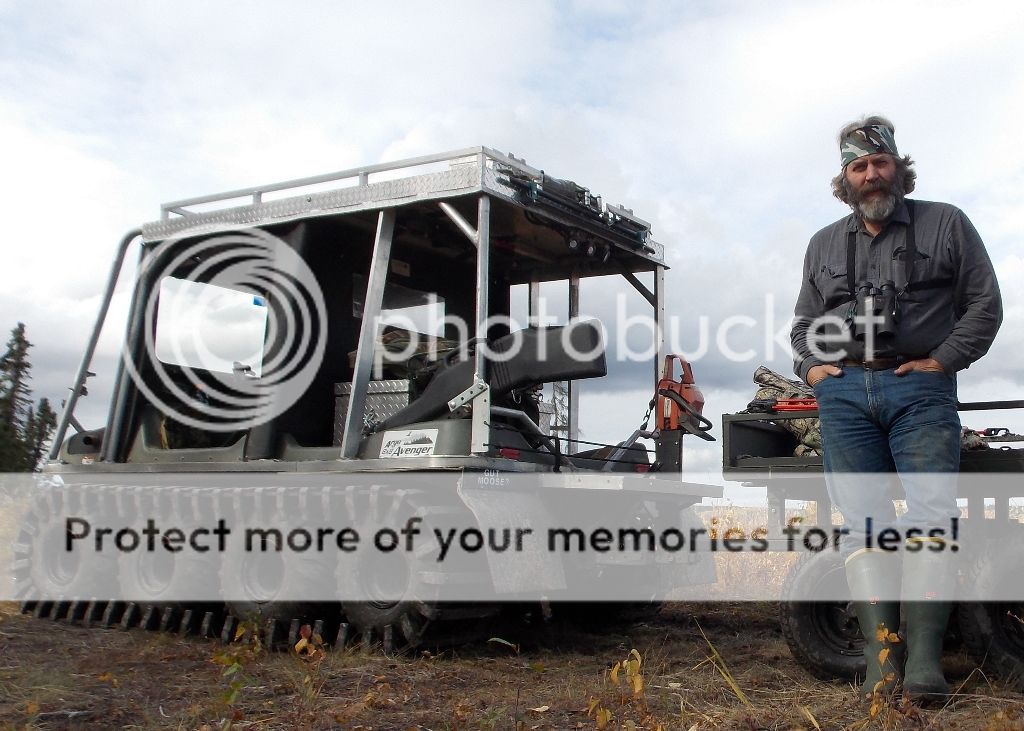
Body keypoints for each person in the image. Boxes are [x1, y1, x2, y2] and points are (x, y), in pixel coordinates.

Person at [790, 116, 1002, 703]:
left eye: (880, 162)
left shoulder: (947, 223)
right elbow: (804, 323)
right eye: (858, 166)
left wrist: (943, 360)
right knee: (862, 522)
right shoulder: (823, 244)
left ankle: (925, 665)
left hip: (920, 389)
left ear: (898, 167)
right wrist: (811, 369)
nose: (871, 174)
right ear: (845, 178)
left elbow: (985, 304)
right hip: (844, 395)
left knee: (932, 514)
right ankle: (883, 662)